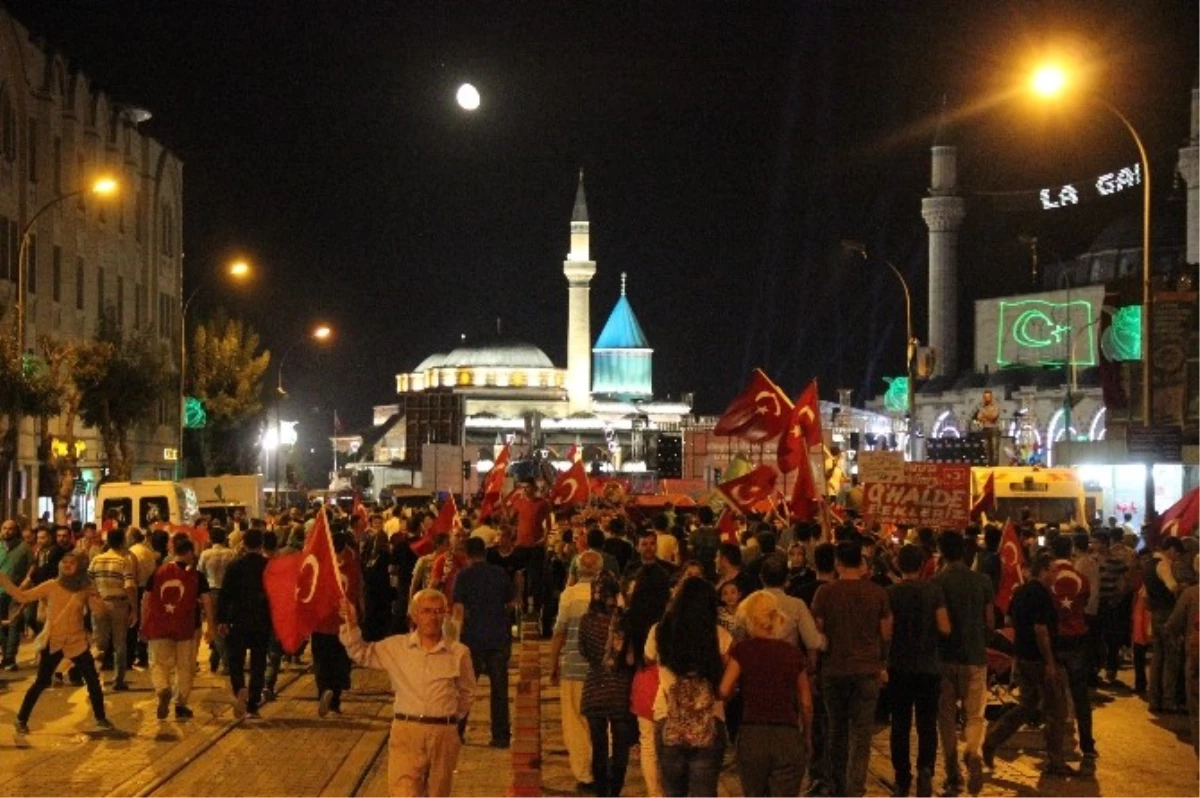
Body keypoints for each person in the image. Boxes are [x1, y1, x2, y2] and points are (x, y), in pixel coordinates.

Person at [340, 588, 475, 798]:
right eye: (426, 611)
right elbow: (361, 653)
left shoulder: (459, 652)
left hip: (443, 734)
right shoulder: (396, 647)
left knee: (438, 792)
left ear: (445, 615)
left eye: (438, 611)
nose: (432, 617)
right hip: (406, 731)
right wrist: (351, 623)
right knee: (403, 792)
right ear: (414, 615)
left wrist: (450, 718)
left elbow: (467, 692)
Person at [983, 554, 1077, 778]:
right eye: (1053, 570)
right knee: (1056, 710)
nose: (1056, 575)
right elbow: (1041, 630)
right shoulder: (1041, 594)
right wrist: (1050, 662)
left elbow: (1009, 621)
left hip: (1022, 656)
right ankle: (1055, 760)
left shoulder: (1020, 592)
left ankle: (992, 741)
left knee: (1026, 705)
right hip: (1039, 660)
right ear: (1043, 571)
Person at [811, 540, 893, 798]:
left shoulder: (825, 593)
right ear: (861, 562)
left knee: (837, 730)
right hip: (867, 670)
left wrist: (814, 667)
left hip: (834, 670)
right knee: (862, 733)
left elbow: (817, 633)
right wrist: (882, 663)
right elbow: (887, 633)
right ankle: (855, 788)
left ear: (837, 563)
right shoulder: (877, 593)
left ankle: (838, 786)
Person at [0, 553, 113, 733]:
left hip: (77, 641)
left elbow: (99, 613)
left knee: (92, 679)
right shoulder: (51, 585)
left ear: (79, 566)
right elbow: (23, 597)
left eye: (72, 562)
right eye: (64, 562)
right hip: (54, 641)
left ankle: (101, 719)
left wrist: (97, 598)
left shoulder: (85, 587)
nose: (67, 565)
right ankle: (21, 719)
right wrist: (3, 579)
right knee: (42, 681)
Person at [719, 590, 813, 798]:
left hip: (753, 733)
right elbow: (806, 703)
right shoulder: (793, 654)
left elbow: (724, 689)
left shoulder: (743, 651)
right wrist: (807, 736)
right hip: (787, 735)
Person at [644, 577, 732, 798]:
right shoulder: (720, 636)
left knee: (673, 792)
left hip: (668, 717)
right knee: (704, 791)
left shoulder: (659, 632)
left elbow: (646, 658)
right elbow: (726, 684)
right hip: (710, 719)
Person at [887, 544, 950, 798]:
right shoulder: (934, 591)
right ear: (923, 565)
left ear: (898, 565)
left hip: (899, 666)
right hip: (928, 667)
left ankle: (902, 778)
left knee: (900, 724)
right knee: (926, 723)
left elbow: (886, 630)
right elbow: (944, 627)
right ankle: (926, 769)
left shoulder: (890, 593)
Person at [933, 530, 993, 795]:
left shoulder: (937, 583)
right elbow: (991, 621)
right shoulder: (982, 581)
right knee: (975, 714)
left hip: (945, 658)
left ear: (942, 553)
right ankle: (973, 751)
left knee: (945, 717)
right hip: (975, 657)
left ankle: (952, 773)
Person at [452, 536, 516, 748]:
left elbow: (459, 610)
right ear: (485, 552)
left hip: (472, 639)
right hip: (497, 637)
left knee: (466, 689)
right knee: (499, 690)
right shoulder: (499, 573)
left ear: (467, 554)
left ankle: (457, 732)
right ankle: (500, 736)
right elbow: (510, 603)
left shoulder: (463, 576)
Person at [579, 573, 637, 798]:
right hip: (620, 688)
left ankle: (601, 791)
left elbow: (583, 651)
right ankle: (615, 790)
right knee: (620, 747)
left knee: (599, 746)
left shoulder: (587, 620)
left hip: (594, 686)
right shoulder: (624, 620)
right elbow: (630, 657)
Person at [142, 536, 213, 720]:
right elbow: (207, 601)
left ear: (174, 552)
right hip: (186, 629)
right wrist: (210, 626)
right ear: (189, 553)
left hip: (159, 626)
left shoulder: (158, 572)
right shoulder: (197, 576)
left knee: (158, 663)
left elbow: (146, 599)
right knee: (185, 667)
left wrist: (143, 623)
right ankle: (180, 704)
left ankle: (162, 689)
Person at [551, 549, 602, 789]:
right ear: (600, 571)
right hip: (602, 670)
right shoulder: (611, 595)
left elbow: (559, 632)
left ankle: (584, 774)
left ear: (578, 570)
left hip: (573, 667)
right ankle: (602, 767)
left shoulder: (569, 596)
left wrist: (553, 664)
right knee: (600, 721)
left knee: (575, 722)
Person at [625, 564, 671, 798]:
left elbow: (631, 656)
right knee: (671, 745)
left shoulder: (632, 614)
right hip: (669, 682)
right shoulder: (672, 616)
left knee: (648, 744)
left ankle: (655, 793)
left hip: (644, 679)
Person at [1050, 535, 1097, 760]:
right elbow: (1085, 602)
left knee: (1054, 695)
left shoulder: (1048, 579)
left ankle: (1055, 747)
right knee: (1080, 694)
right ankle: (1087, 744)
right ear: (1070, 551)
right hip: (1078, 638)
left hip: (1055, 639)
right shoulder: (1080, 578)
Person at [217, 528, 272, 718]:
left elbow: (225, 594)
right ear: (261, 544)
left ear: (244, 544)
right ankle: (253, 701)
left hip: (238, 618)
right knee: (258, 662)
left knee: (236, 660)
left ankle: (240, 688)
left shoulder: (235, 565)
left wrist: (222, 619)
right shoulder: (268, 566)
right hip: (262, 620)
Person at [313, 532, 362, 717]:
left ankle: (324, 691)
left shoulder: (320, 564)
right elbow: (357, 592)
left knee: (321, 661)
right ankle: (334, 701)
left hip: (321, 621)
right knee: (339, 661)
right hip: (343, 622)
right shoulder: (352, 564)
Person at [86, 527, 138, 690]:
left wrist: (92, 600)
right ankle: (118, 680)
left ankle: (94, 678)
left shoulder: (96, 559)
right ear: (122, 541)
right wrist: (134, 608)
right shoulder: (123, 561)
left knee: (99, 643)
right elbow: (129, 586)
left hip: (99, 603)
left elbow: (87, 582)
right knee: (120, 643)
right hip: (119, 604)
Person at [1163, 554, 1200, 770]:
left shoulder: (1190, 595)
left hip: (1196, 660)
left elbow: (1171, 626)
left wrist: (1177, 643)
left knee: (1197, 713)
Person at [756, 551, 825, 653]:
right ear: (787, 580)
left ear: (761, 578)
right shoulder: (796, 605)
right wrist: (826, 642)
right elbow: (812, 641)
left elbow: (737, 638)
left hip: (757, 662)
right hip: (788, 662)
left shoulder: (747, 604)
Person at [1147, 537, 1185, 713]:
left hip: (1154, 613)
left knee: (1157, 657)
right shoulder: (1163, 564)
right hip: (1166, 613)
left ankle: (1154, 699)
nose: (1176, 557)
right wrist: (1183, 587)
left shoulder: (1149, 563)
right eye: (1176, 553)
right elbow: (1172, 587)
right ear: (1171, 549)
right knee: (1171, 657)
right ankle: (1168, 700)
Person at [197, 525, 236, 674]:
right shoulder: (231, 553)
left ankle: (225, 662)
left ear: (210, 538)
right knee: (226, 627)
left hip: (212, 592)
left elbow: (200, 573)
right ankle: (220, 659)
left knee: (214, 627)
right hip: (229, 593)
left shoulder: (206, 554)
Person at [511, 479, 551, 619]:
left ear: (534, 488)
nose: (526, 489)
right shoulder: (519, 502)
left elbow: (548, 524)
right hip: (521, 546)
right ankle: (521, 607)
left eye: (528, 487)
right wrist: (505, 500)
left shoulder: (543, 503)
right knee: (520, 578)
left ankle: (535, 608)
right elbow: (510, 518)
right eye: (524, 487)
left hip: (536, 546)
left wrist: (544, 538)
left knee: (536, 578)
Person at [0, 519, 34, 670]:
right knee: (1, 626)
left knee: (14, 625)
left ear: (16, 531)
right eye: (5, 528)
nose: (7, 531)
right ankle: (5, 652)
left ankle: (9, 657)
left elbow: (32, 565)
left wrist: (27, 580)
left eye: (11, 529)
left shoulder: (24, 547)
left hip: (16, 591)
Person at [622, 527, 679, 591]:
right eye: (644, 544)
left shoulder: (668, 568)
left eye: (652, 543)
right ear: (637, 548)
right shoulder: (631, 569)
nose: (648, 548)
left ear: (656, 546)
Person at [974, 388, 1001, 466]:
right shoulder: (982, 408)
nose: (986, 399)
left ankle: (995, 467)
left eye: (988, 397)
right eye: (985, 397)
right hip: (985, 429)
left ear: (991, 397)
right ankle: (989, 465)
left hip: (994, 429)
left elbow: (994, 416)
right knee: (987, 449)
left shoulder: (996, 406)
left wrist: (984, 413)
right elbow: (979, 417)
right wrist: (986, 416)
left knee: (994, 449)